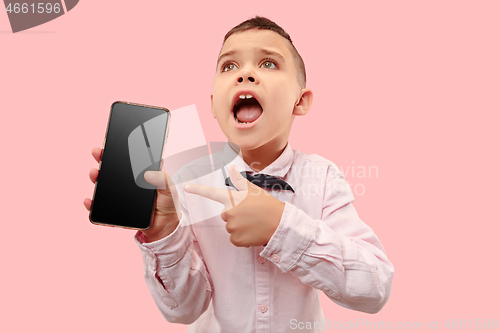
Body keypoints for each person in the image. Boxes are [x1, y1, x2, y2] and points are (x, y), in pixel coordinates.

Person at [84, 16, 394, 333]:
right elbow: (183, 310)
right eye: (229, 67)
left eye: (269, 64)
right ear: (215, 106)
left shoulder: (323, 176)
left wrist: (281, 227)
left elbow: (375, 288)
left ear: (300, 101)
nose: (245, 73)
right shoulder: (187, 178)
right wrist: (164, 233)